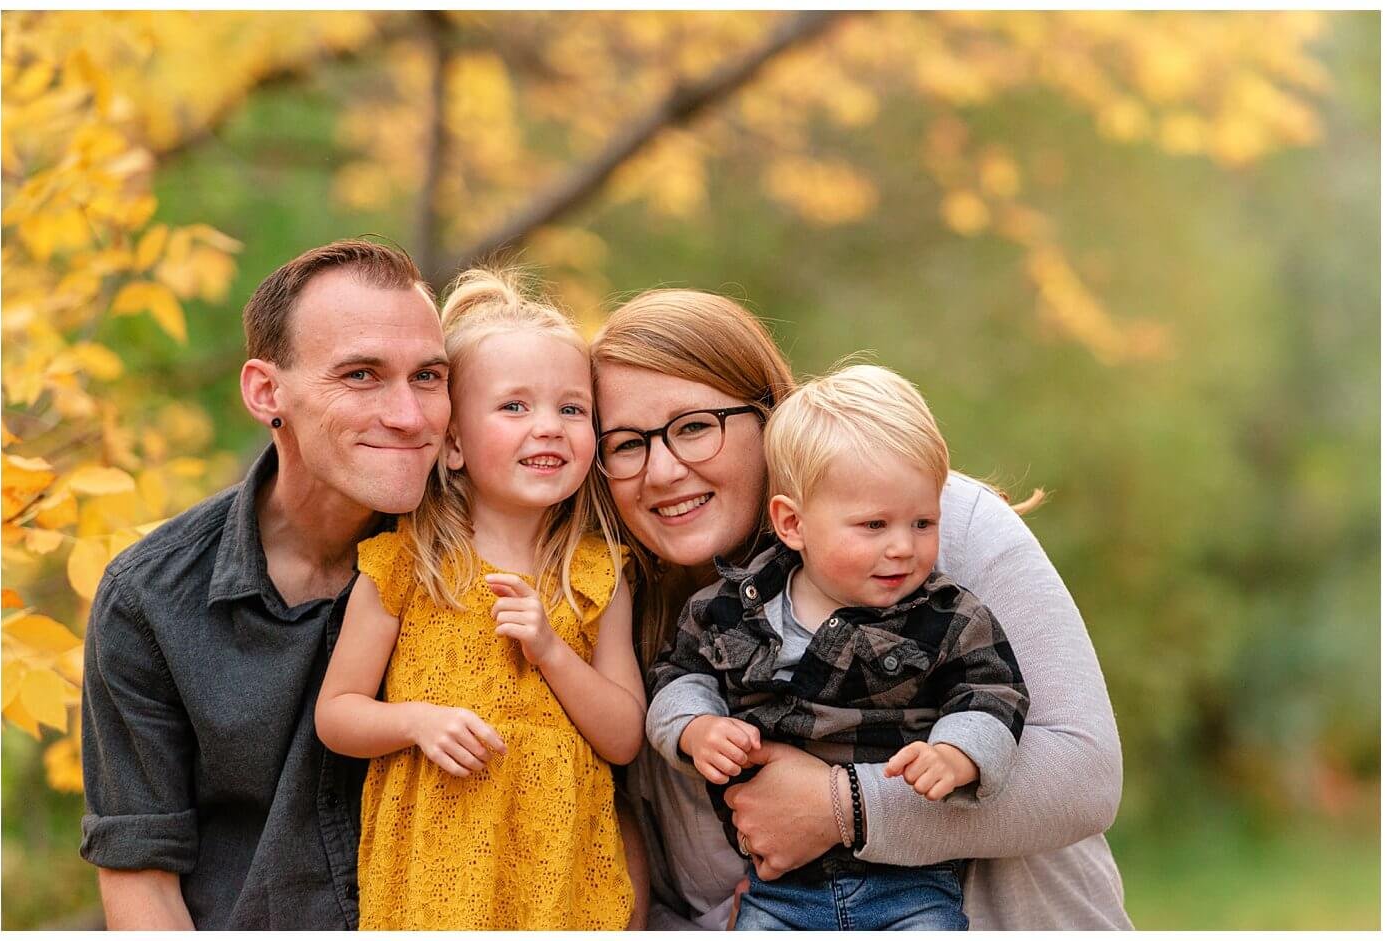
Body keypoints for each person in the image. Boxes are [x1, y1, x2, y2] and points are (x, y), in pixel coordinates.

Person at [590, 289, 1132, 930]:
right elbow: (661, 901)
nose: (662, 470)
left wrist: (841, 806)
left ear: (768, 416)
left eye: (694, 428)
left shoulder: (929, 527)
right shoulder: (630, 626)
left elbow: (1083, 773)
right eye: (626, 444)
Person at [79, 239, 451, 928]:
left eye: (428, 376)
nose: (410, 415)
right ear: (266, 391)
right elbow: (142, 880)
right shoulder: (149, 599)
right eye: (363, 374)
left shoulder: (492, 560)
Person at [640, 363, 1031, 930]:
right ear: (793, 523)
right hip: (778, 891)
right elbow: (677, 676)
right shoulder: (726, 610)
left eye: (923, 522)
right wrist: (695, 728)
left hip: (911, 883)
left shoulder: (946, 615)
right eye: (874, 525)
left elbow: (993, 691)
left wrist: (958, 753)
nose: (903, 547)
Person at [313, 269, 646, 929]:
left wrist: (551, 648)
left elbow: (625, 735)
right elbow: (337, 714)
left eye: (571, 408)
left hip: (559, 882)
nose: (548, 427)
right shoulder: (409, 565)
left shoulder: (595, 574)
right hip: (436, 877)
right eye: (515, 407)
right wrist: (416, 721)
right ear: (456, 443)